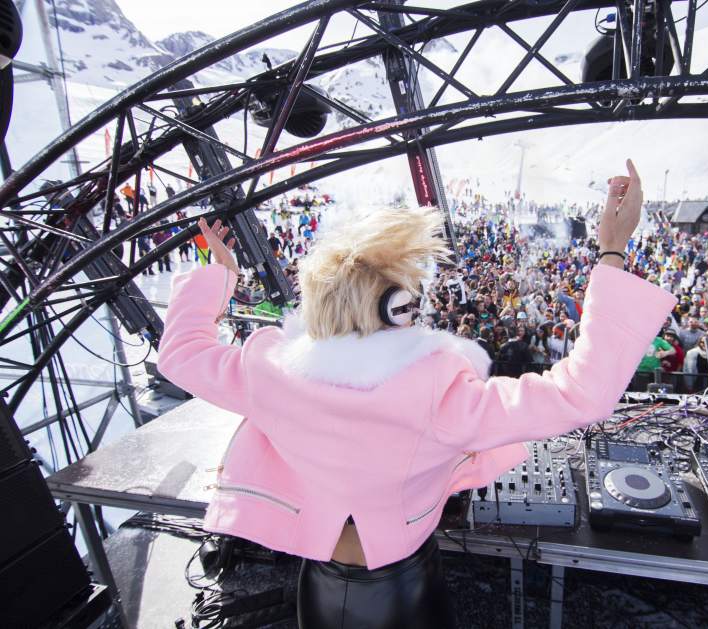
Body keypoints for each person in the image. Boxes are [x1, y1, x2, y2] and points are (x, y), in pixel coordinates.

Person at [156, 159, 676, 628]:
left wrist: (220, 276)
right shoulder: (436, 391)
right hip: (404, 592)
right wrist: (612, 250)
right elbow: (582, 393)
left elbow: (180, 354)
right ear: (397, 306)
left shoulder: (269, 370)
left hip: (318, 587)